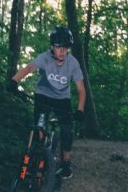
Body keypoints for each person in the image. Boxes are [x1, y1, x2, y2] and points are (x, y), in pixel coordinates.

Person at [10, 26, 86, 179]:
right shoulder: (44, 58)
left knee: (66, 131)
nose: (62, 51)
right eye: (59, 47)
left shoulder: (73, 63)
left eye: (65, 48)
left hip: (62, 100)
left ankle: (65, 163)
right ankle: (34, 157)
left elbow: (81, 90)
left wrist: (80, 109)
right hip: (43, 96)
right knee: (38, 129)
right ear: (52, 46)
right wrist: (14, 81)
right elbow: (29, 68)